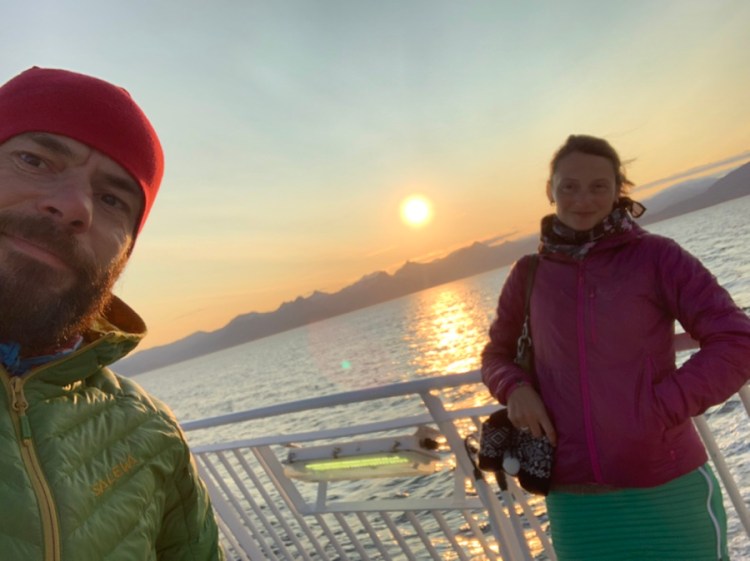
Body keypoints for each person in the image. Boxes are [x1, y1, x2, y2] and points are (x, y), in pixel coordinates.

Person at [481, 134, 750, 561]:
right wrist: (515, 388)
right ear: (550, 190)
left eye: (598, 186)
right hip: (575, 498)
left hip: (667, 484)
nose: (582, 199)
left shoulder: (657, 257)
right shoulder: (528, 274)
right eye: (569, 186)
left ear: (617, 190)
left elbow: (736, 339)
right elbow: (496, 355)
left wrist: (659, 408)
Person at [0, 67, 224, 560]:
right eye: (33, 160)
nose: (73, 206)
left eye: (111, 198)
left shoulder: (152, 434)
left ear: (124, 253)